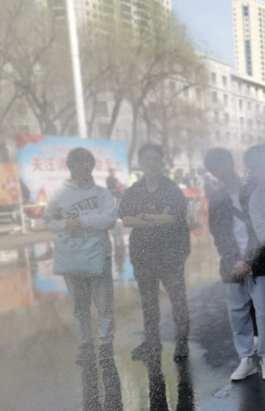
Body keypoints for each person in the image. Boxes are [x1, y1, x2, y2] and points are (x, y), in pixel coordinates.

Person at [205, 148, 265, 382]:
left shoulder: (253, 191)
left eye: (222, 165)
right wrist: (233, 260)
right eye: (215, 168)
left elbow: (263, 227)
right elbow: (219, 234)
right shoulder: (217, 199)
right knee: (237, 313)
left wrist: (248, 259)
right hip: (232, 266)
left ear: (231, 163)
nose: (220, 171)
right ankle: (246, 358)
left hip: (260, 262)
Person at [119, 143, 191, 362]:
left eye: (155, 158)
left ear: (161, 161)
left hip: (171, 253)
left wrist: (144, 217)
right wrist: (158, 219)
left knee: (177, 298)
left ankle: (182, 341)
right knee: (149, 301)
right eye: (146, 158)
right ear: (140, 162)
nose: (151, 163)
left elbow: (174, 218)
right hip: (143, 254)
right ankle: (152, 342)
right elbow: (126, 218)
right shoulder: (134, 191)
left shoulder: (172, 190)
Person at [45, 147, 117, 364]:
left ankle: (106, 345)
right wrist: (65, 225)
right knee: (79, 306)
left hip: (99, 255)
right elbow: (48, 221)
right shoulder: (60, 194)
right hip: (72, 256)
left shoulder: (102, 193)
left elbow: (110, 220)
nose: (83, 166)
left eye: (87, 162)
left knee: (104, 304)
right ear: (70, 166)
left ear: (92, 166)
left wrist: (81, 221)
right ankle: (86, 345)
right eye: (77, 162)